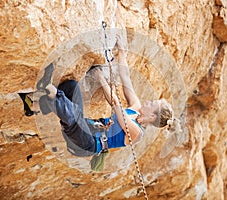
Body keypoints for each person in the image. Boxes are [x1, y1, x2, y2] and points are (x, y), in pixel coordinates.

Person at [22, 35, 174, 157]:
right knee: (71, 87)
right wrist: (122, 53)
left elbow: (115, 103)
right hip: (88, 127)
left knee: (74, 117)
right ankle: (33, 106)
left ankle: (46, 87)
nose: (148, 101)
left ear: (153, 117)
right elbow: (126, 79)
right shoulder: (136, 108)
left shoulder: (137, 132)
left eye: (153, 103)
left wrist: (101, 78)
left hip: (88, 142)